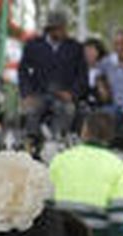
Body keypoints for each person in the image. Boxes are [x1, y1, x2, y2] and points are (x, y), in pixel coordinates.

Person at [48, 109, 123, 236]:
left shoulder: (59, 161)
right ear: (110, 136)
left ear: (84, 131)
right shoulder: (120, 168)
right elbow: (119, 221)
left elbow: (46, 210)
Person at [17, 8, 85, 142]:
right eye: (57, 29)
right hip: (38, 94)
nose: (61, 32)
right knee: (31, 111)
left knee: (67, 110)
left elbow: (82, 76)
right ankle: (32, 144)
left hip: (63, 97)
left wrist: (72, 93)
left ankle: (57, 142)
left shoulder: (75, 48)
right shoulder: (33, 45)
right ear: (49, 29)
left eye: (62, 28)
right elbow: (23, 72)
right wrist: (27, 94)